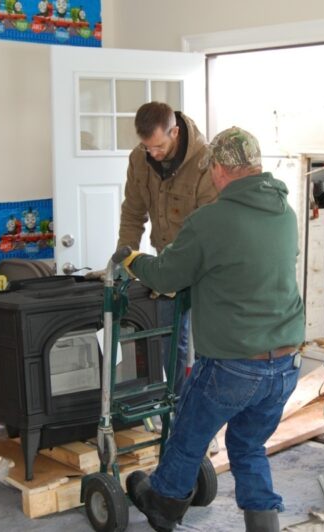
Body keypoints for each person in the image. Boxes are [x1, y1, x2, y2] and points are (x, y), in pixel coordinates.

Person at [119, 126, 305, 532]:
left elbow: (168, 276)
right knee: (247, 445)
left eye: (214, 171)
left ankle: (163, 504)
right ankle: (264, 524)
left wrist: (132, 259)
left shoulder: (211, 220)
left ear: (221, 169)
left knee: (188, 435)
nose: (214, 178)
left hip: (233, 364)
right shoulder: (285, 214)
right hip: (287, 363)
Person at [117, 101, 218, 394]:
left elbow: (209, 229)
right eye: (147, 147)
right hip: (166, 262)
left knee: (207, 345)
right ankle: (177, 410)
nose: (153, 154)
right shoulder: (139, 159)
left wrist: (180, 268)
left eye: (158, 146)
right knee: (169, 342)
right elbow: (133, 213)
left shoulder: (205, 162)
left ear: (174, 131)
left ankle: (203, 415)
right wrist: (125, 259)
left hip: (203, 266)